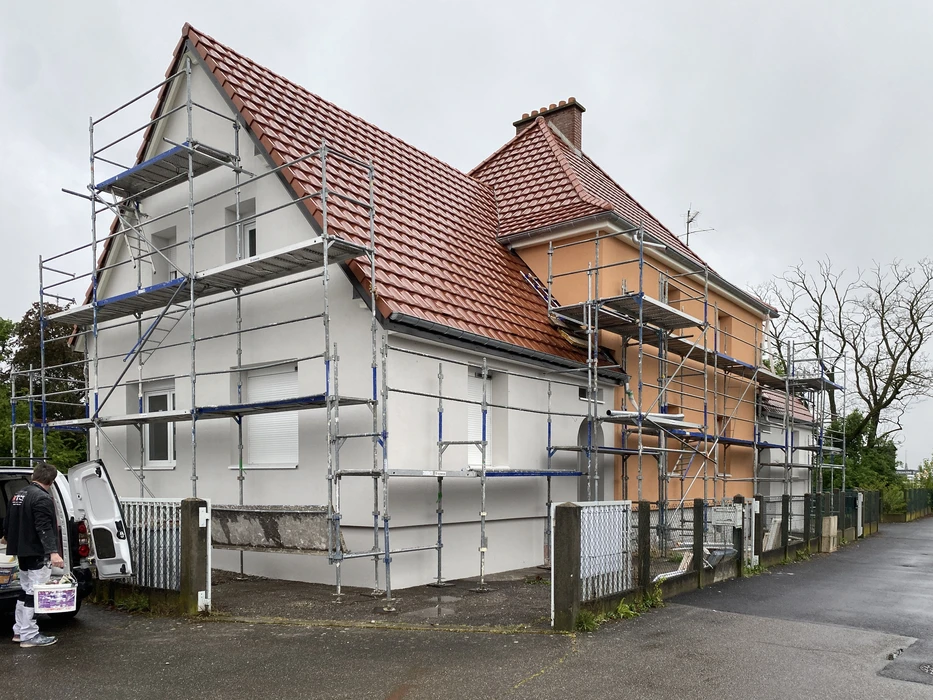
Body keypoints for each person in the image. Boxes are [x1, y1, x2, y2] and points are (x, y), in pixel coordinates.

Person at [2, 462, 64, 647]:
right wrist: (53, 552)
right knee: (35, 593)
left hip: (22, 551)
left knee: (26, 589)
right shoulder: (42, 498)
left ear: (34, 476)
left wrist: (6, 536)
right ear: (51, 481)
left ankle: (19, 631)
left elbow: (8, 519)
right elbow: (44, 528)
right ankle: (29, 635)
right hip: (37, 553)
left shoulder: (18, 495)